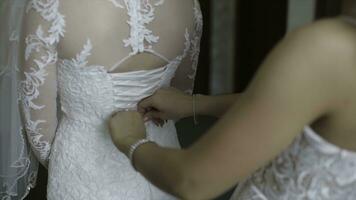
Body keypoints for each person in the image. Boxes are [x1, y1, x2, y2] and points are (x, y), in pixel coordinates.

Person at [108, 0, 356, 199]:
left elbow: (192, 181)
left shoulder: (329, 47)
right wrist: (196, 104)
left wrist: (131, 141)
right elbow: (294, 105)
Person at [0, 0, 202, 199]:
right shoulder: (190, 5)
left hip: (83, 175)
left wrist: (70, 159)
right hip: (163, 166)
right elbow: (179, 101)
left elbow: (39, 131)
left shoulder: (48, 7)